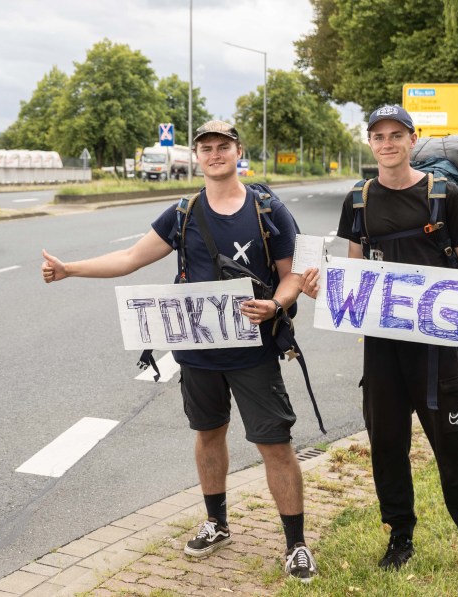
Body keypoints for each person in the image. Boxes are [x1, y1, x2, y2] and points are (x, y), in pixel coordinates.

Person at [42, 120, 317, 582]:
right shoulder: (183, 213)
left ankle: (296, 544)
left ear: (237, 152)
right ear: (197, 156)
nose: (214, 154)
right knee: (209, 434)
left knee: (275, 444)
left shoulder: (268, 208)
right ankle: (217, 523)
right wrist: (71, 269)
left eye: (222, 147)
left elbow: (292, 274)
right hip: (198, 353)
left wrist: (275, 304)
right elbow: (131, 258)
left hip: (254, 352)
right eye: (206, 148)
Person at [302, 105, 458, 578]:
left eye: (397, 135)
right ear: (370, 142)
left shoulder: (445, 196)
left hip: (439, 346)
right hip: (383, 347)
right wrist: (327, 291)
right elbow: (354, 270)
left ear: (412, 140)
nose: (388, 143)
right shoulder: (358, 199)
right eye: (379, 136)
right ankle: (399, 537)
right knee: (387, 444)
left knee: (455, 444)